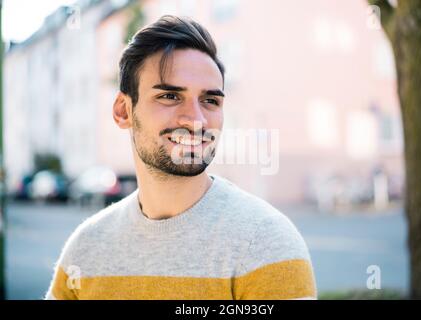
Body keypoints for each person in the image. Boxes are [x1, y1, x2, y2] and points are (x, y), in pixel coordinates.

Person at [44, 15, 316, 300]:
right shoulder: (86, 248)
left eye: (210, 101)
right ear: (123, 111)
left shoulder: (264, 242)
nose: (196, 120)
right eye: (170, 96)